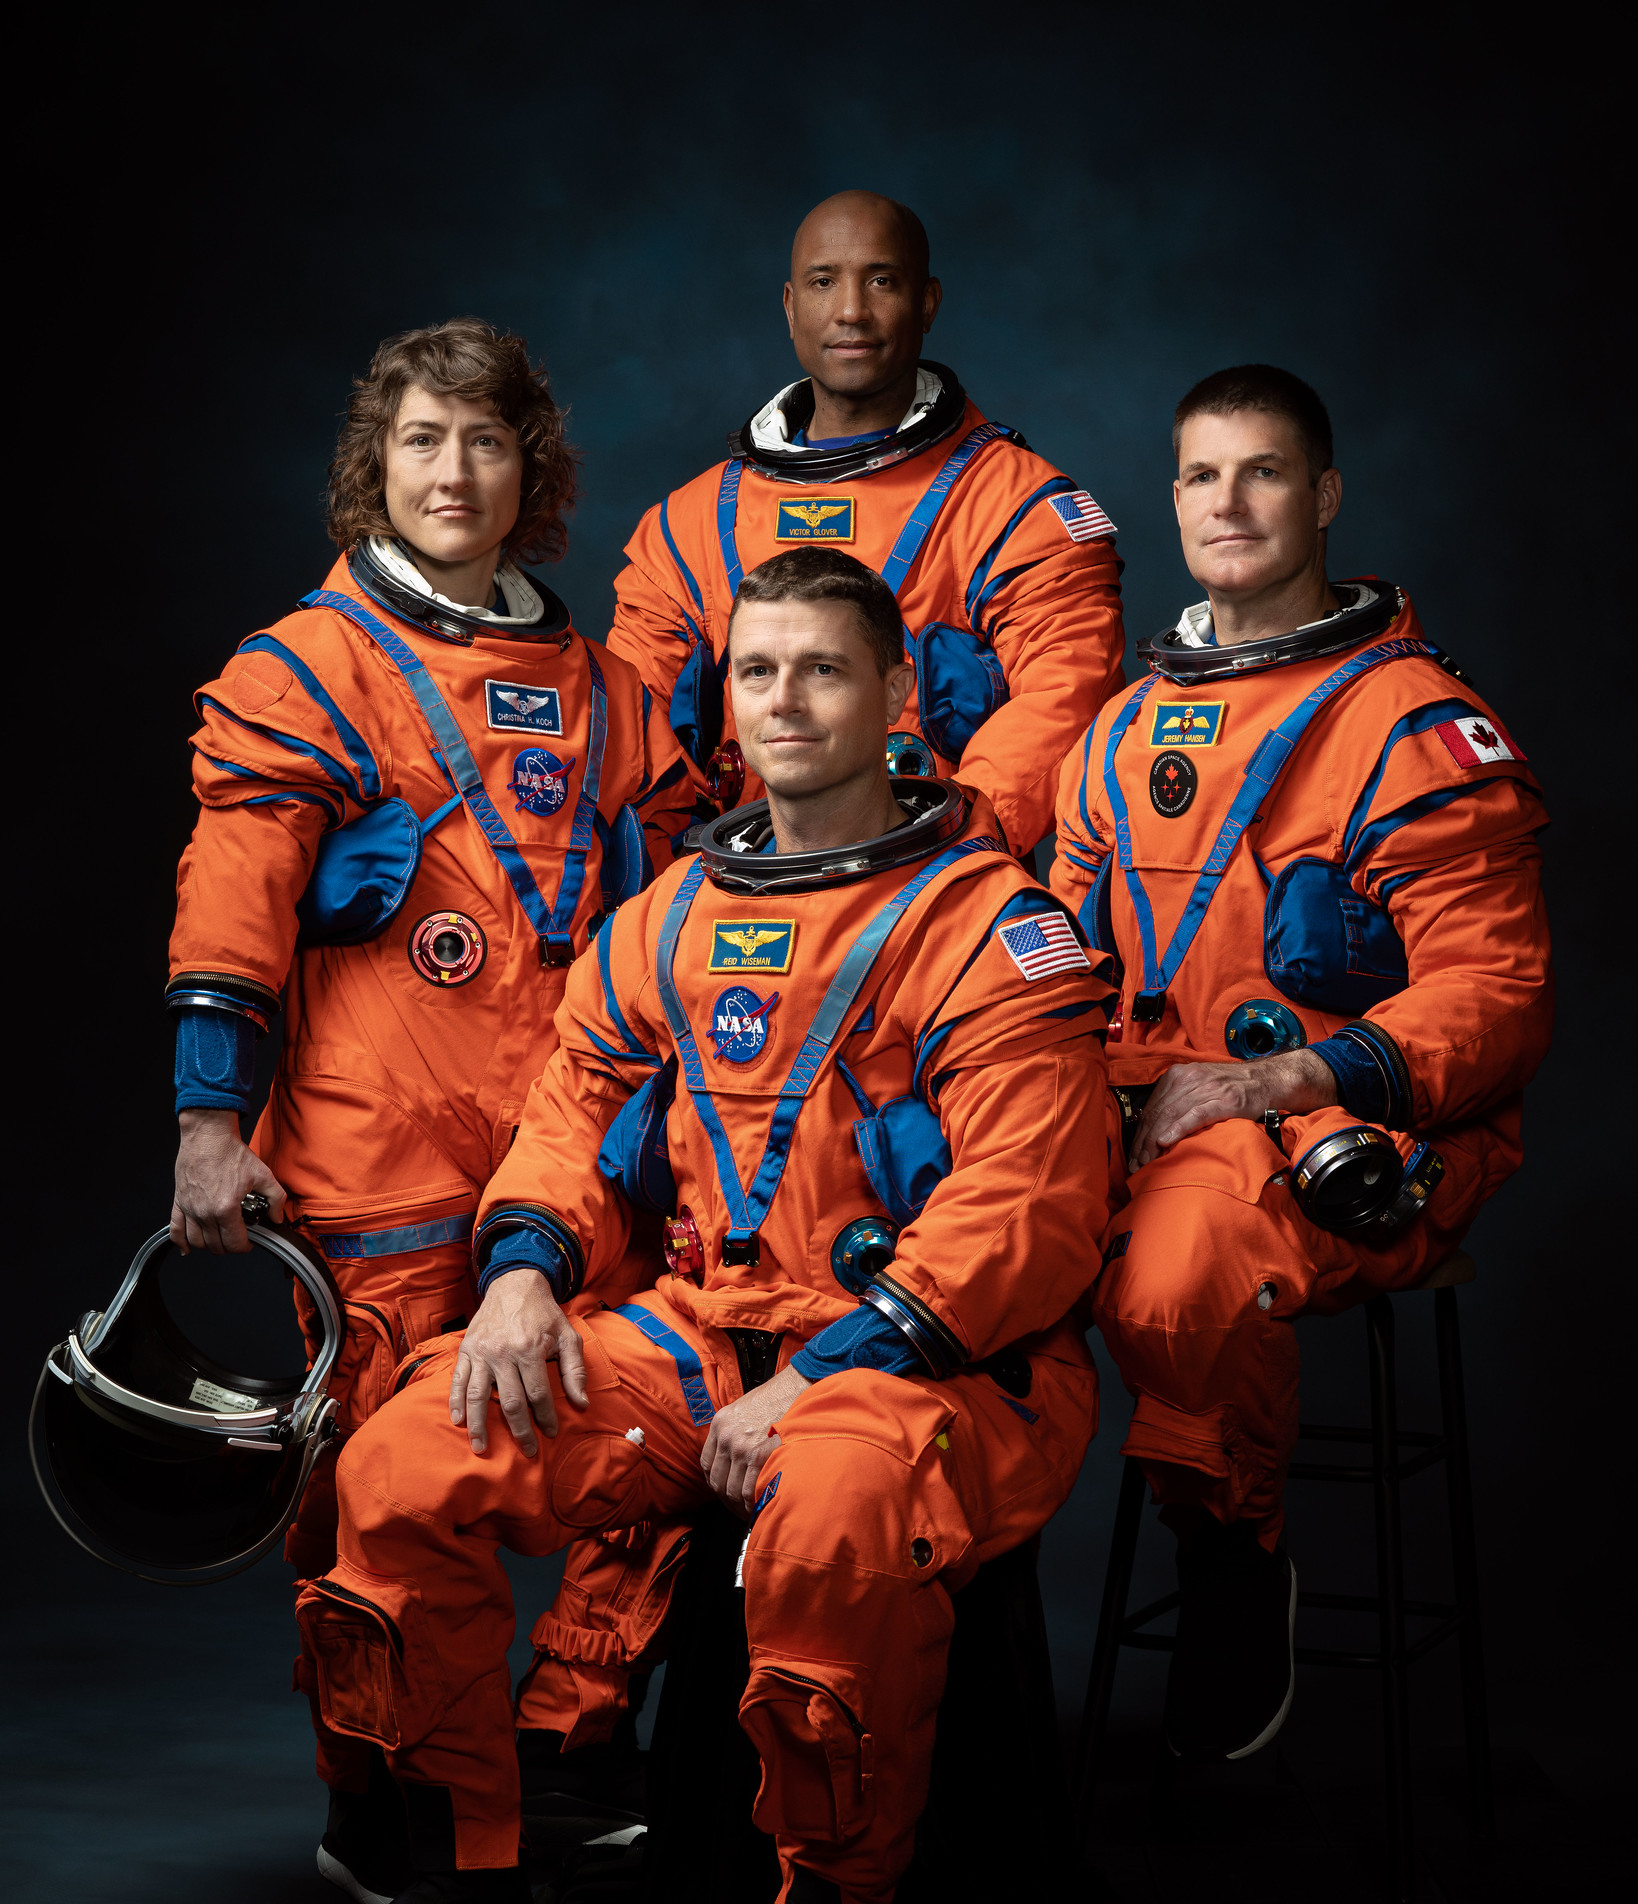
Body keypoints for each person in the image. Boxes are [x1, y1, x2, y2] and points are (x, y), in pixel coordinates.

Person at [295, 546, 1111, 1904]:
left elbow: (1027, 1210)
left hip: (937, 1367)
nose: (782, 700)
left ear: (897, 690)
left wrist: (821, 1375)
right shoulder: (668, 915)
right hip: (699, 1346)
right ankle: (468, 1859)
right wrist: (518, 1272)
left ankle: (821, 1883)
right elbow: (569, 1115)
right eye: (756, 670)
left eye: (822, 669)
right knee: (404, 1462)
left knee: (829, 1520)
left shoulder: (987, 926)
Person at [164, 317, 692, 1901]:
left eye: (481, 440)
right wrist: (208, 1119)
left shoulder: (607, 691)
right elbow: (233, 899)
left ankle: (569, 1737)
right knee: (368, 1509)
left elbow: (679, 918)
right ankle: (396, 1798)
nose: (452, 472)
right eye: (418, 442)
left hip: (575, 1163)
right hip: (373, 1164)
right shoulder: (304, 671)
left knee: (652, 1443)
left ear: (531, 463)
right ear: (370, 469)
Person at [1051, 364, 1552, 1764]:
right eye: (1202, 475)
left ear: (1322, 495)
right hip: (1145, 1112)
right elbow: (1060, 970)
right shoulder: (1121, 729)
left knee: (1174, 1275)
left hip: (1347, 1126)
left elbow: (1498, 996)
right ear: (1169, 499)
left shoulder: (1409, 724)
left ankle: (1230, 1547)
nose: (1229, 502)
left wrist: (1281, 1086)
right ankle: (954, 1695)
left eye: (1262, 471)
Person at [606, 188, 1125, 856]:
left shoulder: (1016, 507)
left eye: (881, 281)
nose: (851, 311)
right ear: (791, 307)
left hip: (930, 894)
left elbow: (1064, 699)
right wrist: (682, 886)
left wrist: (944, 859)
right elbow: (630, 730)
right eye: (824, 282)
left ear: (928, 303)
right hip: (730, 899)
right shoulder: (689, 526)